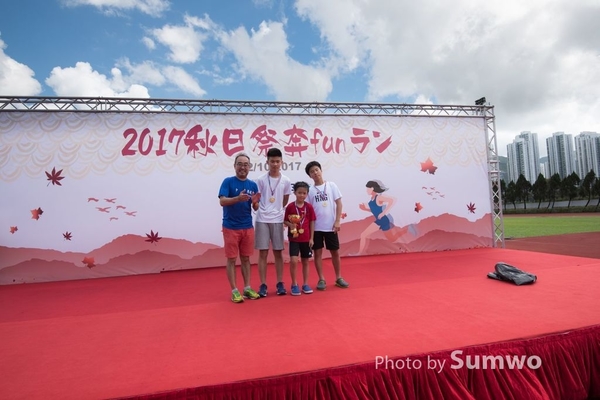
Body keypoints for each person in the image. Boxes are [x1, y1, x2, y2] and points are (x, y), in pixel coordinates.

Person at [218, 152, 261, 303]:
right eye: (240, 164)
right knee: (231, 259)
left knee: (246, 259)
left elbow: (255, 208)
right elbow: (222, 201)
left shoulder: (252, 185)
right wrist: (237, 198)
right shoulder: (228, 182)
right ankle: (234, 290)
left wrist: (256, 202)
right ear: (235, 166)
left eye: (245, 164)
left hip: (247, 227)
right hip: (231, 227)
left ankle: (247, 288)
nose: (243, 167)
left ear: (249, 167)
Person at [305, 161, 349, 290]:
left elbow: (339, 203)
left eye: (316, 170)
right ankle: (321, 279)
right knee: (317, 254)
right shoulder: (310, 191)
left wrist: (337, 221)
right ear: (310, 176)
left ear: (321, 170)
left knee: (335, 252)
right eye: (312, 172)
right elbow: (308, 210)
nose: (315, 173)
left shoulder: (331, 186)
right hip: (316, 228)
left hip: (331, 227)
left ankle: (339, 277)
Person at [255, 148, 292, 296]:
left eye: (277, 161)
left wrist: (278, 211)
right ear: (267, 162)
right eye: (272, 161)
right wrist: (260, 207)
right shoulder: (260, 180)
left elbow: (284, 200)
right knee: (263, 253)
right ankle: (263, 284)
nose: (275, 164)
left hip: (277, 220)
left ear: (282, 162)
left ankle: (280, 283)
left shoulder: (286, 181)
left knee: (278, 252)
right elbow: (257, 199)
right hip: (262, 219)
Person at [357, 180, 418, 255]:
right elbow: (375, 211)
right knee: (391, 238)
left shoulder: (378, 197)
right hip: (379, 220)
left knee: (364, 235)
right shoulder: (372, 199)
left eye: (368, 188)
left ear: (372, 188)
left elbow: (392, 200)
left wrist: (383, 212)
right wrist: (365, 209)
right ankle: (407, 228)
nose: (366, 190)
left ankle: (360, 253)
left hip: (383, 221)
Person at [284, 181, 316, 295]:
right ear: (294, 193)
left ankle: (305, 284)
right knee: (293, 261)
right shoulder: (290, 206)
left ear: (307, 194)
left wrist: (312, 238)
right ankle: (294, 284)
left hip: (306, 238)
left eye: (304, 193)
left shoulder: (309, 207)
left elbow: (312, 222)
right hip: (294, 238)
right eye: (299, 193)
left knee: (305, 261)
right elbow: (285, 220)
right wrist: (291, 225)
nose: (301, 195)